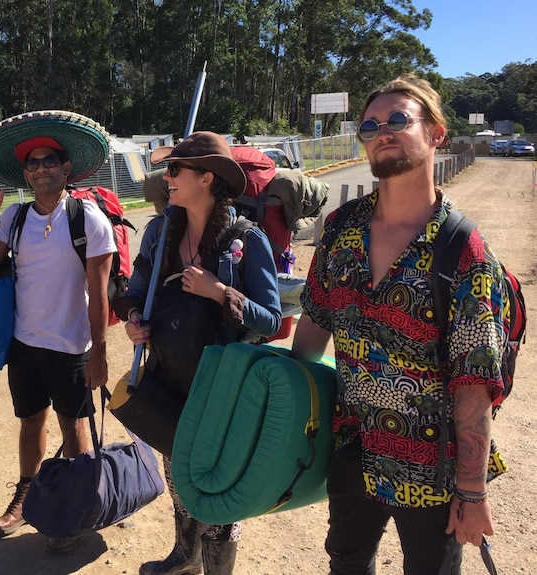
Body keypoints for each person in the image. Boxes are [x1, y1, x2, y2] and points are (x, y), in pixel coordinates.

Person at [291, 74, 508, 574]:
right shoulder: (342, 227)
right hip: (352, 446)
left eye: (397, 120)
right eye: (370, 124)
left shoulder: (463, 248)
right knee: (346, 562)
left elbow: (475, 384)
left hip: (431, 464)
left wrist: (472, 492)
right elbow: (314, 324)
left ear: (436, 134)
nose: (381, 131)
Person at [114, 131, 282, 575]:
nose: (165, 178)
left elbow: (271, 319)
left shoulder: (247, 239)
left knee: (218, 491)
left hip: (224, 390)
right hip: (170, 379)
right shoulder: (159, 232)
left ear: (206, 178)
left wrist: (220, 291)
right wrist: (135, 321)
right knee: (179, 479)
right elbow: (136, 292)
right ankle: (185, 558)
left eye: (174, 170)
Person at [0, 110, 116, 553]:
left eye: (48, 160)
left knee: (73, 430)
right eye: (32, 164)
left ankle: (71, 511)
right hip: (24, 344)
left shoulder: (87, 219)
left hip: (71, 345)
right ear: (25, 173)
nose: (40, 169)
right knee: (29, 421)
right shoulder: (15, 218)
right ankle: (25, 497)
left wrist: (99, 354)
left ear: (66, 167)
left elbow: (99, 291)